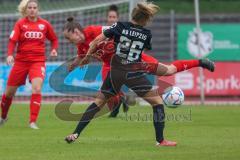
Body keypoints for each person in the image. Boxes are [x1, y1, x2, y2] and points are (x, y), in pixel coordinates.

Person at [64, 2, 214, 146]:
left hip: (115, 68)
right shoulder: (146, 33)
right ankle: (160, 140)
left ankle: (75, 133)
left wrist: (88, 57)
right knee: (161, 93)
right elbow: (144, 48)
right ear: (145, 19)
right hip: (135, 67)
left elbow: (97, 39)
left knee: (98, 102)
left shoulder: (118, 26)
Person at [62, 17, 158, 117]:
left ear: (76, 32)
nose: (69, 41)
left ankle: (124, 100)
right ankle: (118, 103)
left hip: (122, 58)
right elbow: (80, 56)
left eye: (69, 37)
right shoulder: (81, 45)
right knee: (107, 89)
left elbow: (111, 29)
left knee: (146, 69)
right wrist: (74, 64)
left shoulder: (92, 30)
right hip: (108, 64)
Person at [0, 0, 58, 129]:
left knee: (37, 88)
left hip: (37, 62)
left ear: (38, 9)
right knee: (9, 93)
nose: (32, 9)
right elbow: (12, 41)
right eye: (30, 7)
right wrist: (10, 54)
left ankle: (32, 121)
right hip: (21, 62)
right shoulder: (20, 24)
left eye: (34, 7)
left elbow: (54, 39)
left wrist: (54, 49)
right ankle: (3, 116)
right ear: (26, 10)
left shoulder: (45, 24)